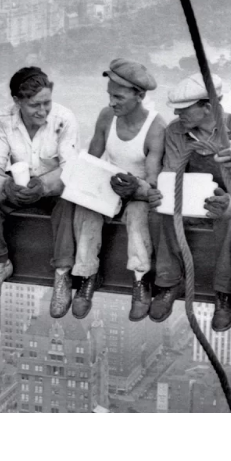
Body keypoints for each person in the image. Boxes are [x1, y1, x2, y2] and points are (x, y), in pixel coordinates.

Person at [146, 72, 231, 332]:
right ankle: (169, 282)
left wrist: (228, 203)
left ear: (208, 107)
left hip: (228, 200)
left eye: (184, 108)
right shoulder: (176, 131)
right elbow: (172, 173)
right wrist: (161, 193)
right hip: (189, 197)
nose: (177, 113)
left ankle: (224, 293)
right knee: (160, 212)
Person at [0, 67, 78, 307]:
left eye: (46, 103)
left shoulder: (64, 118)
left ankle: (62, 272)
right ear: (17, 101)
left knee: (69, 199)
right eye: (34, 105)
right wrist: (5, 185)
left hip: (53, 187)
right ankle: (0, 263)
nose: (42, 111)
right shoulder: (2, 118)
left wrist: (42, 185)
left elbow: (70, 167)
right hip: (18, 185)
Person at [70, 59, 164, 321]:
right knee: (86, 209)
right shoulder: (106, 116)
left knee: (137, 216)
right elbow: (93, 159)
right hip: (109, 186)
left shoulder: (156, 128)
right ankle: (87, 274)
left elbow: (153, 180)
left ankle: (141, 279)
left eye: (119, 97)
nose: (112, 102)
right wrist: (85, 186)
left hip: (137, 192)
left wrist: (136, 188)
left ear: (140, 96)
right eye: (110, 95)